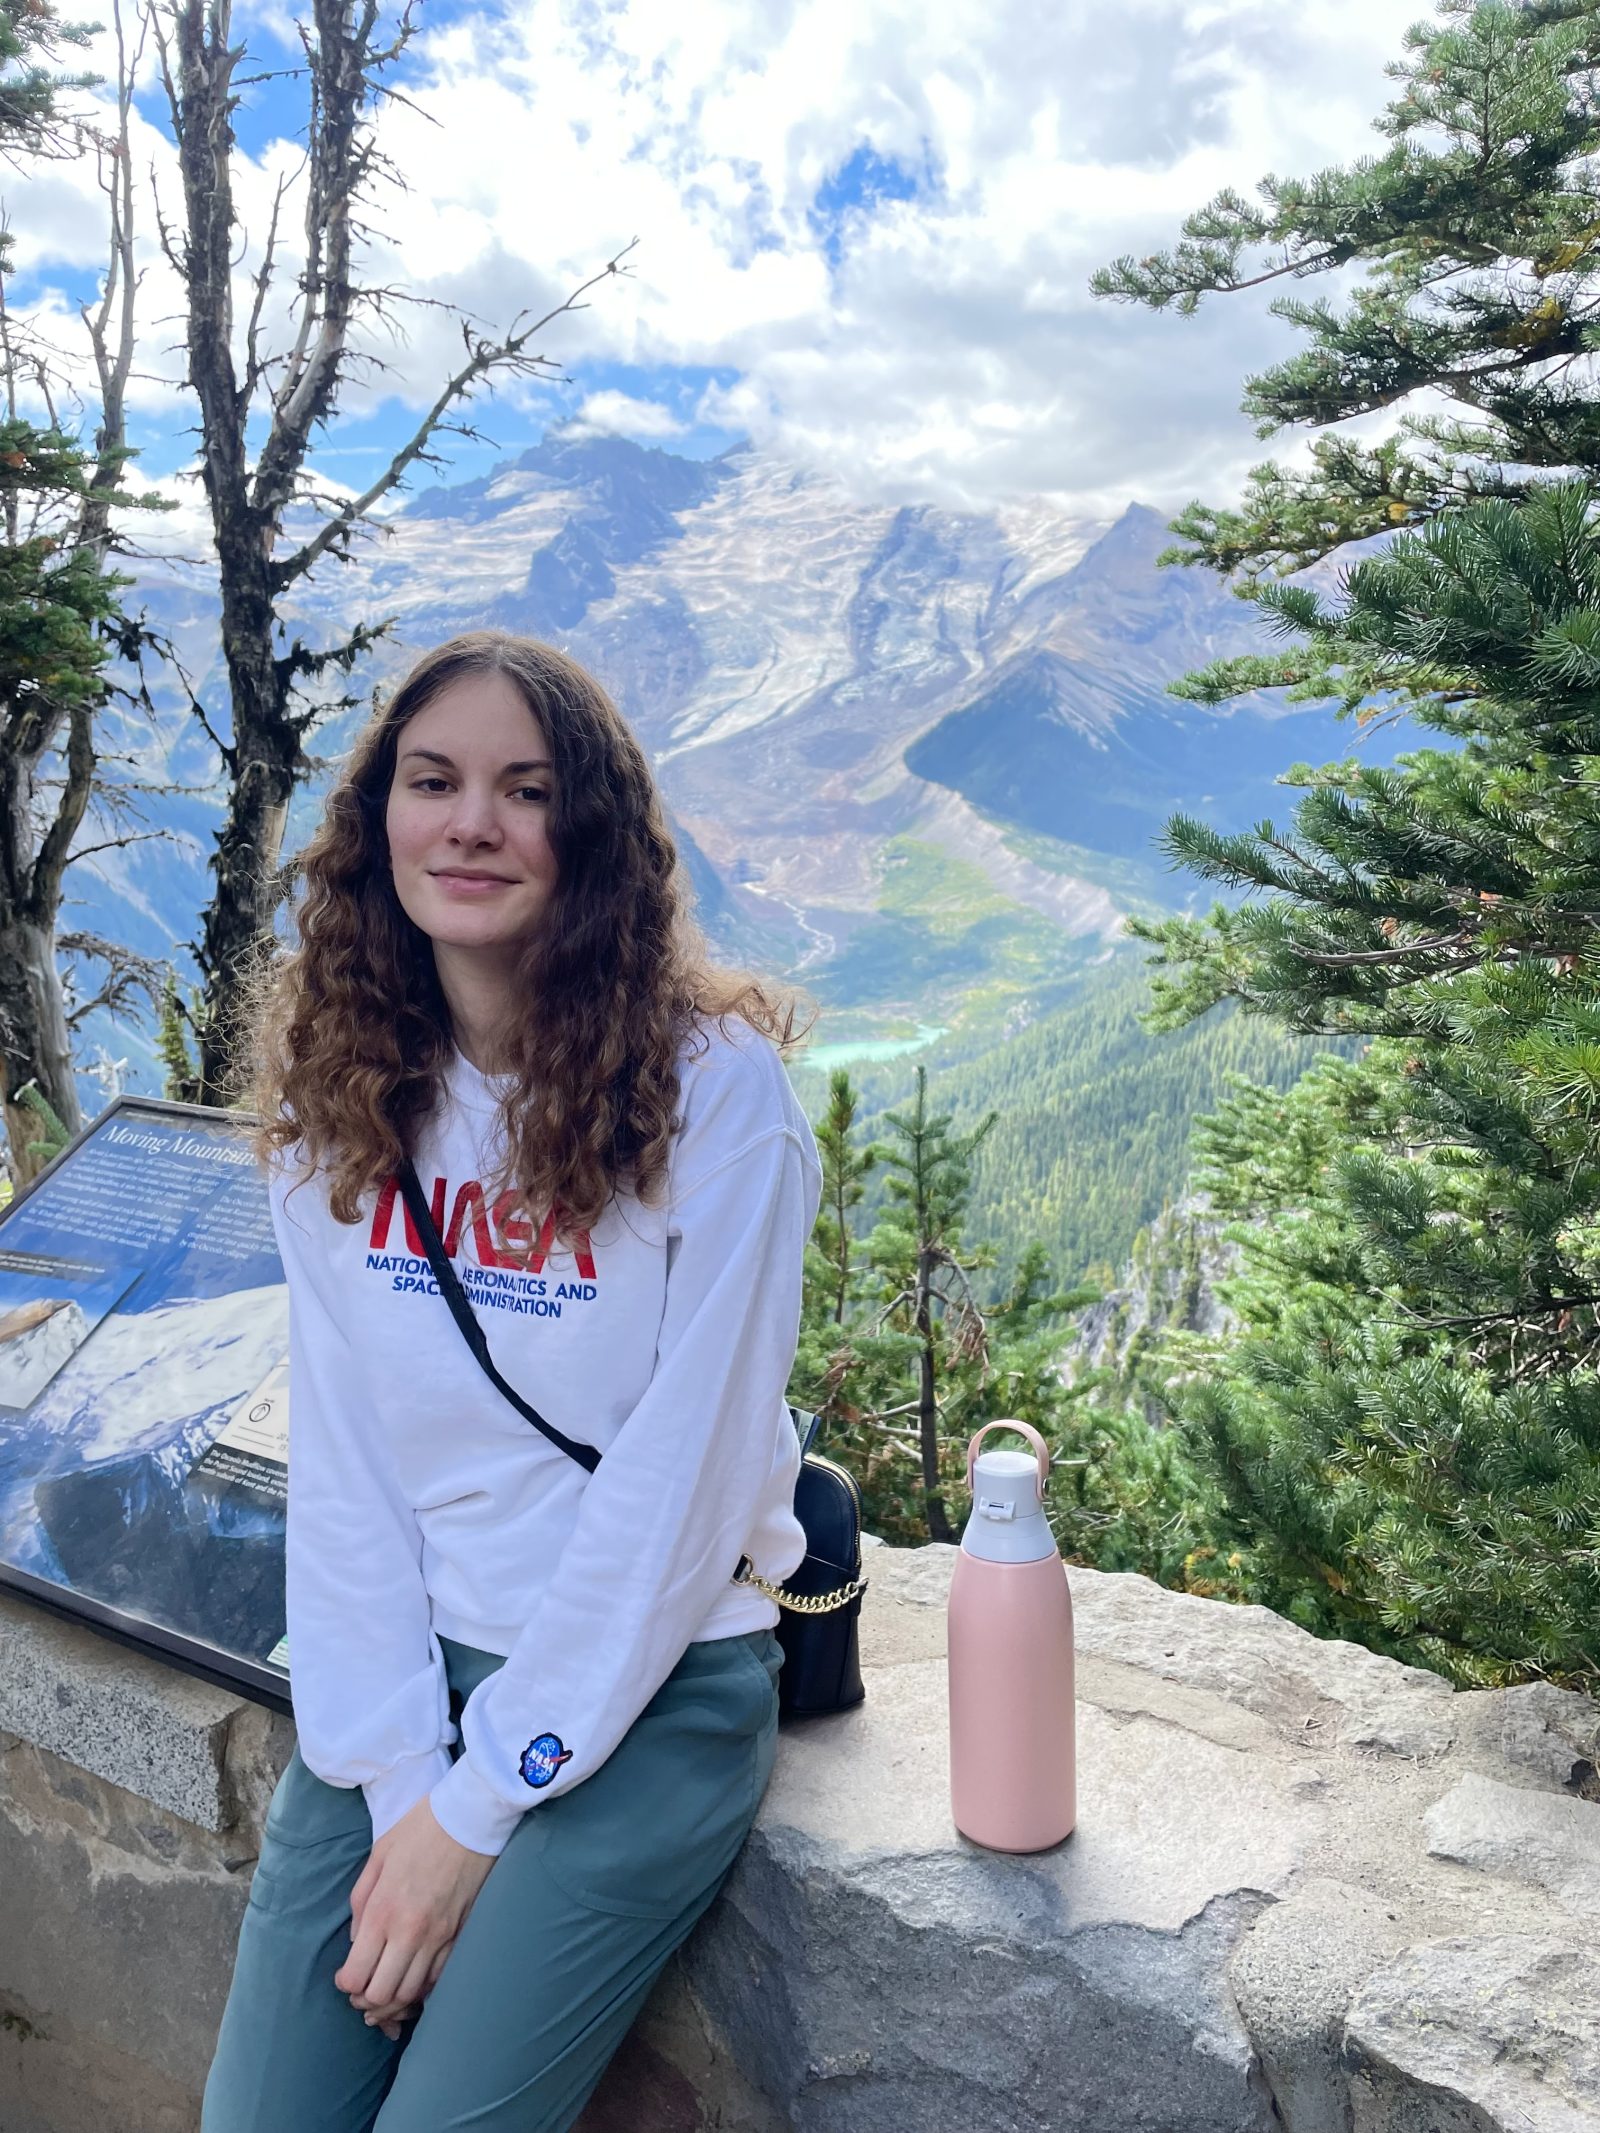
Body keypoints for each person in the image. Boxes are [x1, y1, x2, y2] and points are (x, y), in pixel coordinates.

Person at [201, 630, 821, 2133]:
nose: (472, 823)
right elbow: (348, 1467)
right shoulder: (342, 1091)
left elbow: (683, 1494)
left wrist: (477, 1808)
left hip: (653, 1685)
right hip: (414, 1672)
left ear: (591, 834)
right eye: (433, 782)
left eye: (525, 791)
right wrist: (400, 1778)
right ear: (379, 822)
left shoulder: (718, 1097)